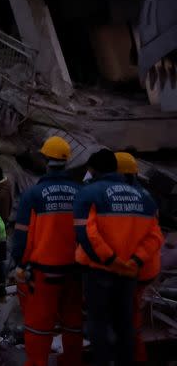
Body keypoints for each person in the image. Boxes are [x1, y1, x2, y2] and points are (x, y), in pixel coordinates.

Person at [74, 149, 163, 366]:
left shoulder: (92, 193)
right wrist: (134, 261)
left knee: (100, 323)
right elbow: (155, 236)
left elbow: (88, 233)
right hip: (132, 272)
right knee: (126, 323)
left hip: (103, 269)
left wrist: (111, 260)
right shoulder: (145, 198)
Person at [11, 136, 82, 366]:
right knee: (73, 321)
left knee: (39, 325)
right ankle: (71, 361)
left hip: (44, 271)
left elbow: (21, 234)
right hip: (75, 269)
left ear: (44, 159)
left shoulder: (34, 194)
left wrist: (19, 263)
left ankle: (37, 363)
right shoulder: (80, 192)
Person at [114, 152, 161, 364]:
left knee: (128, 321)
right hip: (146, 268)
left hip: (130, 270)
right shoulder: (146, 196)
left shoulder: (114, 198)